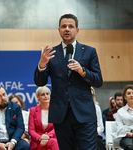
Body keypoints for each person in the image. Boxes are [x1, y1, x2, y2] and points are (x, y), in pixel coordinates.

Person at [34, 13, 103, 150]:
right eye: (63, 26)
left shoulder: (89, 52)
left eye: (70, 26)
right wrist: (42, 65)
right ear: (59, 30)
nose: (67, 29)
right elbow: (39, 82)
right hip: (61, 114)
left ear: (77, 30)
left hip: (84, 113)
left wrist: (82, 71)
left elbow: (98, 81)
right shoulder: (51, 53)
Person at [112, 85, 133, 150]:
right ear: (125, 97)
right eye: (129, 93)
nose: (131, 95)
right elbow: (120, 129)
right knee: (130, 147)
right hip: (126, 137)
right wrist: (131, 134)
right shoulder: (120, 112)